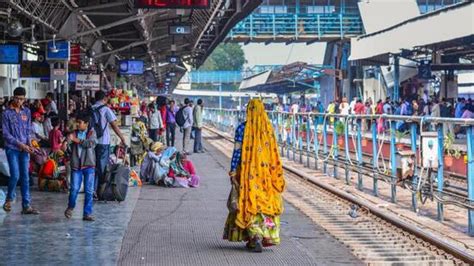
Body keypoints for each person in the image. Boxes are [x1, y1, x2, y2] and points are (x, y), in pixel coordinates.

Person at [223, 99, 285, 252]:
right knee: (263, 203)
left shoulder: (241, 129)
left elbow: (237, 151)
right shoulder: (268, 128)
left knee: (248, 202)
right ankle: (265, 234)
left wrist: (233, 171)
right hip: (266, 175)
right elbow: (274, 154)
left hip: (247, 174)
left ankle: (254, 236)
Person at [2, 87, 39, 214]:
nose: (19, 101)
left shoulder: (26, 112)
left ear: (25, 99)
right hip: (12, 148)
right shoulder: (6, 113)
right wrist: (21, 145)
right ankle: (9, 198)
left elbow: (29, 130)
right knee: (15, 175)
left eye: (22, 99)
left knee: (25, 177)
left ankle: (26, 205)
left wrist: (31, 144)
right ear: (13, 97)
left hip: (25, 149)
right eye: (17, 98)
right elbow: (6, 134)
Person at [91, 91, 126, 198]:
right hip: (103, 142)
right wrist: (122, 138)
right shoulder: (105, 109)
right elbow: (114, 126)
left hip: (90, 142)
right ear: (104, 98)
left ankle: (92, 189)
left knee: (92, 166)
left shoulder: (90, 109)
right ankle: (100, 191)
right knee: (102, 168)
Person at [64, 112, 97, 221]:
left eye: (80, 122)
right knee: (74, 189)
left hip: (89, 165)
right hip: (76, 165)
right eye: (77, 122)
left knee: (89, 190)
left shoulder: (91, 133)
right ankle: (70, 207)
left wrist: (76, 140)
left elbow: (90, 144)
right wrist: (66, 142)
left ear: (86, 124)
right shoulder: (73, 133)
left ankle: (87, 213)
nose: (78, 124)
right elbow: (67, 145)